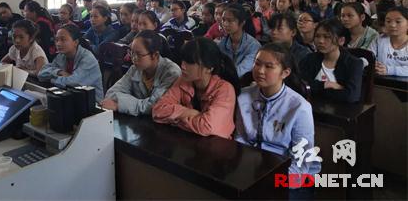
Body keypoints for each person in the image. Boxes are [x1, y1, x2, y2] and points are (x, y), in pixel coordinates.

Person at [235, 43, 319, 197]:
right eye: (257, 63)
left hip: (291, 176)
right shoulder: (244, 96)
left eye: (269, 66)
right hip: (254, 171)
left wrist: (270, 183)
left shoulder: (299, 107)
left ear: (285, 73)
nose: (260, 71)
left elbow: (301, 162)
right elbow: (240, 139)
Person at [152, 37, 240, 139]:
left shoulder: (225, 90)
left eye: (189, 62)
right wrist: (189, 113)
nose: (182, 66)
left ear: (209, 68)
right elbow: (158, 110)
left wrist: (175, 120)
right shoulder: (184, 80)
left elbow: (208, 127)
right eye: (183, 60)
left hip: (217, 146)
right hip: (189, 142)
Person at [101, 30, 181, 115]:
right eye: (132, 52)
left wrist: (120, 105)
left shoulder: (171, 73)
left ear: (155, 55)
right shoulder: (135, 69)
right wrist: (138, 104)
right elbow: (111, 93)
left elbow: (155, 106)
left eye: (138, 54)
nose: (134, 58)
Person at [299, 19, 364, 103]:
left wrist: (315, 89)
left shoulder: (354, 63)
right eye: (317, 36)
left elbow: (351, 96)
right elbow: (299, 86)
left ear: (341, 41)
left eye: (327, 37)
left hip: (340, 110)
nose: (321, 41)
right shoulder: (309, 59)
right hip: (312, 107)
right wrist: (325, 85)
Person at [39, 24, 103, 101]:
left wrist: (51, 79)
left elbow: (73, 83)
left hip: (92, 102)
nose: (58, 44)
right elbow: (41, 74)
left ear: (75, 42)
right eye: (56, 40)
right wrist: (59, 72)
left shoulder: (88, 59)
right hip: (69, 97)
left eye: (63, 40)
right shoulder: (61, 56)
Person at [218, 4, 261, 77]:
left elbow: (242, 70)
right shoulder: (222, 44)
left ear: (242, 22)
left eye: (230, 21)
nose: (225, 24)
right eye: (223, 20)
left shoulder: (253, 45)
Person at [370, 7, 408, 76]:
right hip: (380, 81)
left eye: (398, 22)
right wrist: (371, 64)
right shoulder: (379, 40)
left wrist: (389, 70)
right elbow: (367, 57)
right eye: (388, 21)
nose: (392, 25)